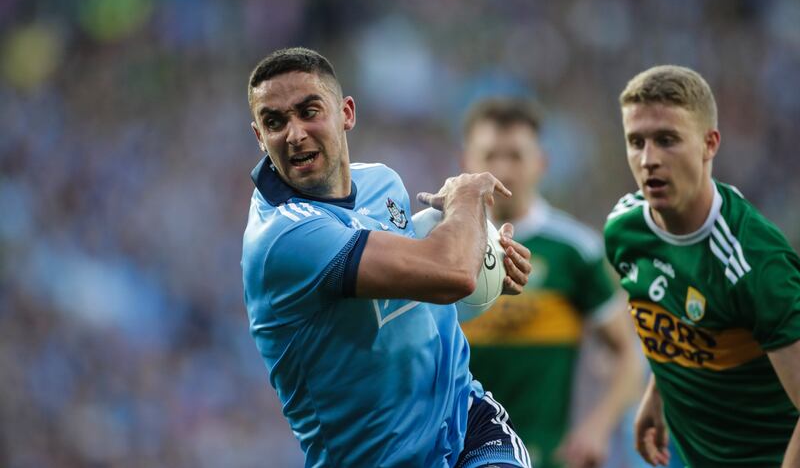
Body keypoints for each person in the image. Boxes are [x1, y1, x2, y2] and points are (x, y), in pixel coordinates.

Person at [241, 47, 535, 468]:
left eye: (309, 111)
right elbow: (449, 272)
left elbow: (418, 295)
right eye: (275, 122)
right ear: (259, 137)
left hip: (467, 424)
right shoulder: (284, 238)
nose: (294, 133)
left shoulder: (381, 182)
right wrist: (466, 195)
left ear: (346, 113)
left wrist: (484, 263)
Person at [605, 65, 800, 467]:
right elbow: (682, 318)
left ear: (709, 144)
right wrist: (657, 393)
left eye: (666, 140)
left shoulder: (757, 264)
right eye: (636, 141)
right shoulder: (622, 230)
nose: (648, 159)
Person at [460, 98, 642, 468]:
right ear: (467, 161)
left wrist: (597, 427)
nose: (502, 169)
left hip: (541, 455)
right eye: (490, 155)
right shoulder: (440, 244)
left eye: (515, 156)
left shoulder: (574, 251)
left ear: (541, 162)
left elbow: (627, 355)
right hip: (451, 453)